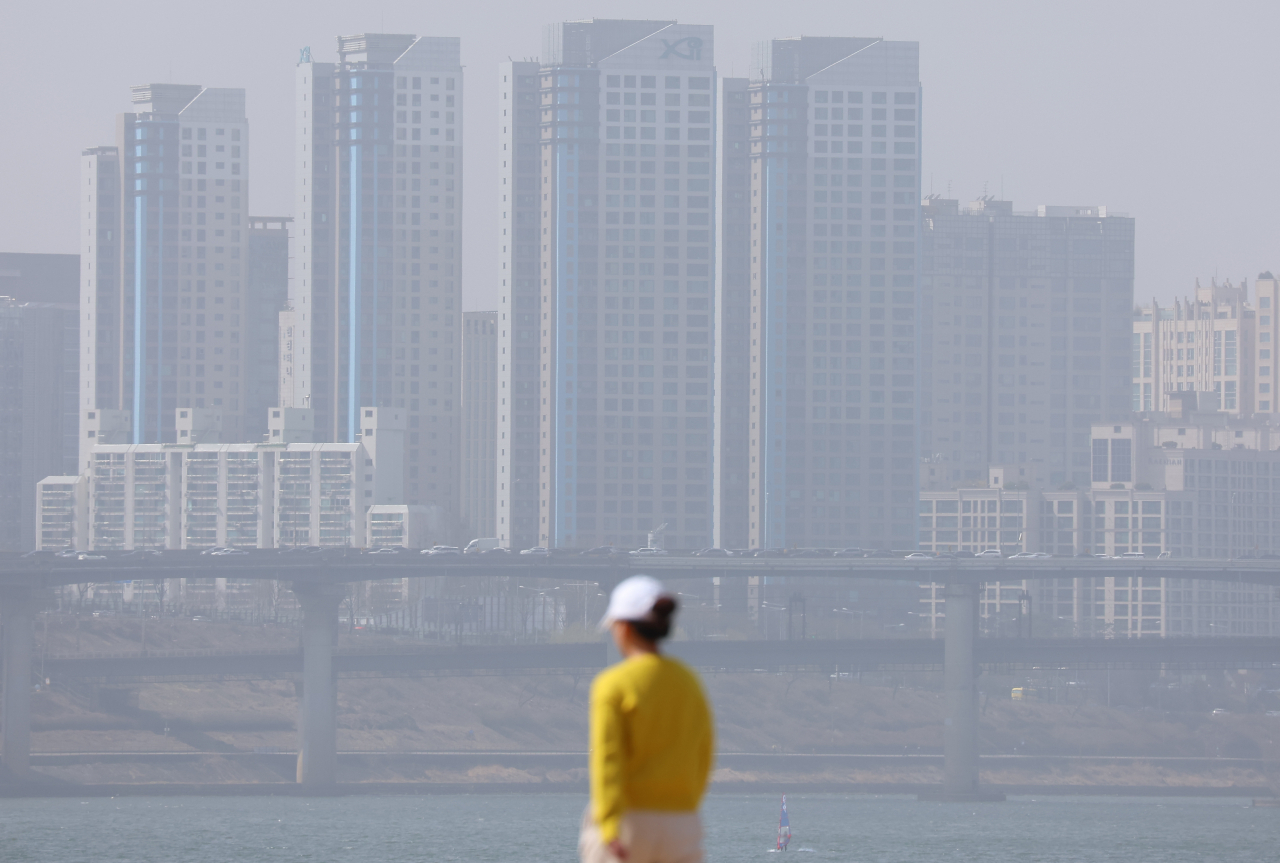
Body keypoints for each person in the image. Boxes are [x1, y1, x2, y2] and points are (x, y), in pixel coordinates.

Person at [579, 575, 715, 863]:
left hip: (630, 820)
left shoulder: (613, 684)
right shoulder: (689, 681)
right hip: (682, 822)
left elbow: (608, 760)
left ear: (623, 628)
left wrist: (609, 824)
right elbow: (704, 753)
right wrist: (685, 806)